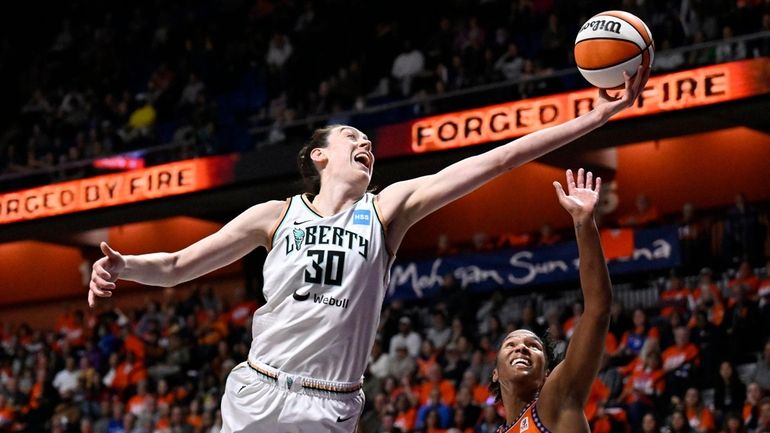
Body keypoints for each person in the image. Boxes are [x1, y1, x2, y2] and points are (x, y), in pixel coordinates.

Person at [88, 66, 650, 432]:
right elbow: (178, 266)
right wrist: (125, 266)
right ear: (318, 157)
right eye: (352, 139)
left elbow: (496, 160)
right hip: (258, 389)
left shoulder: (387, 209)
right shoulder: (274, 215)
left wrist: (597, 116)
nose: (366, 146)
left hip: (331, 402)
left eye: (369, 144)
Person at [489, 168, 615, 433]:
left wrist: (583, 223)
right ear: (495, 372)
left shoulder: (556, 400)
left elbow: (598, 309)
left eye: (533, 346)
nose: (521, 348)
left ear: (547, 373)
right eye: (510, 344)